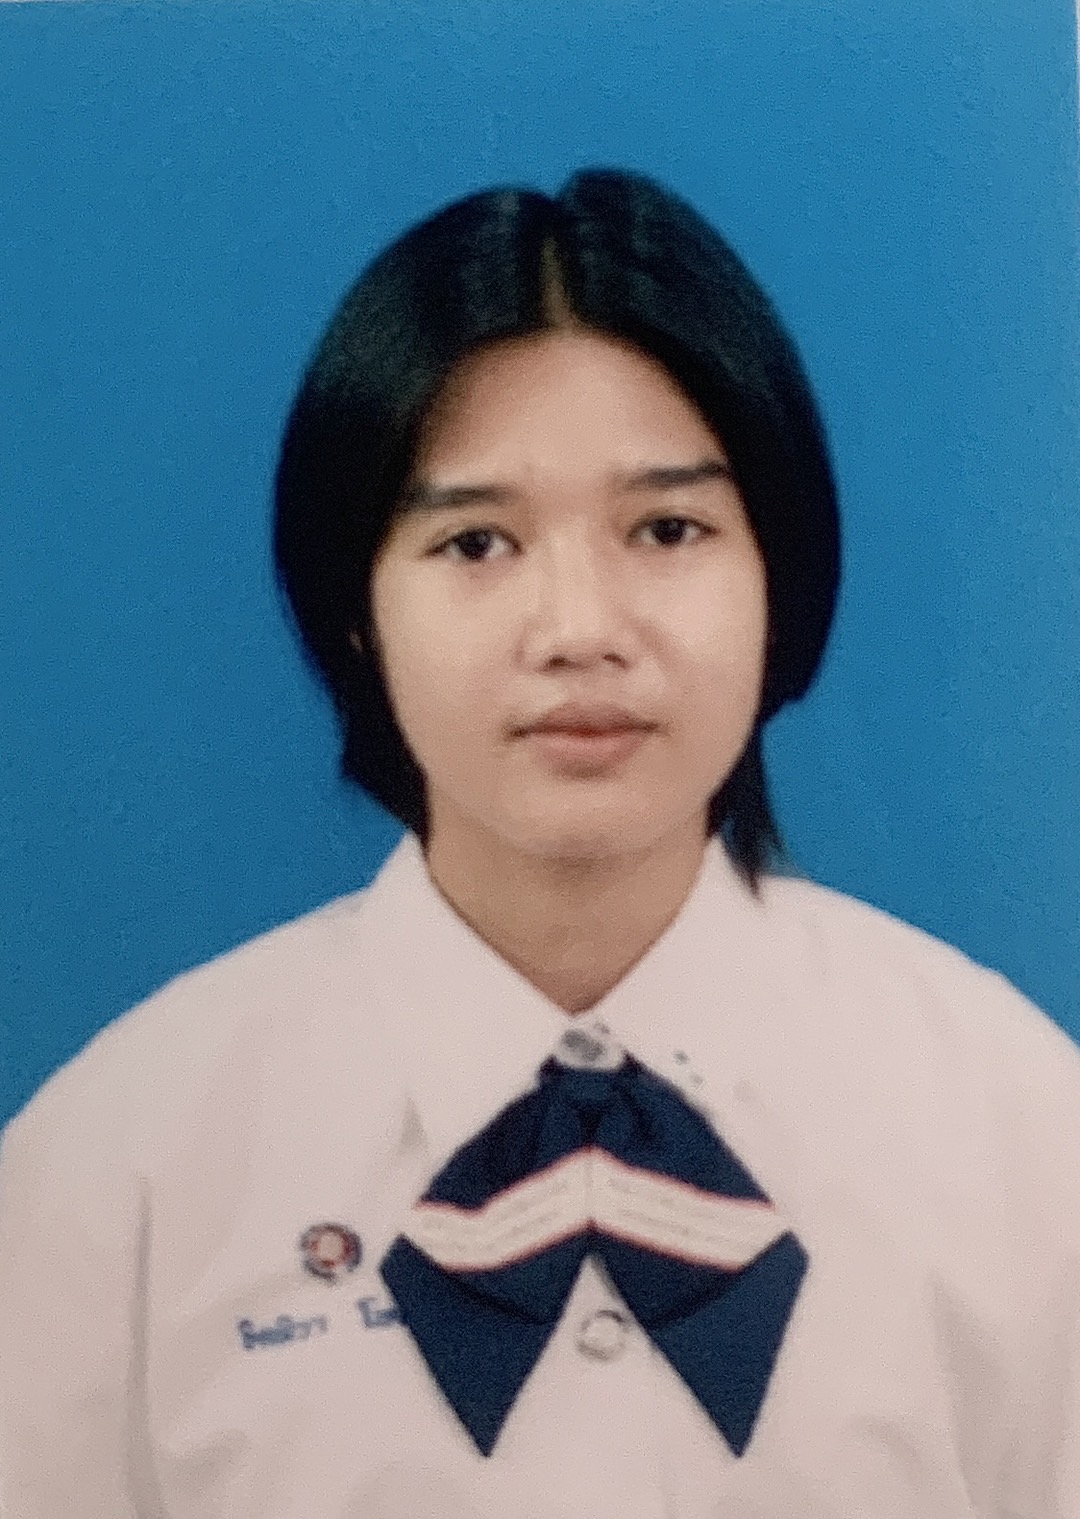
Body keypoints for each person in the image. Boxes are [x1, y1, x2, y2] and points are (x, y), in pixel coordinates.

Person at [1, 167, 1078, 1519]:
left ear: (781, 574)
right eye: (475, 543)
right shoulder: (124, 1167)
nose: (579, 628)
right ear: (356, 613)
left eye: (668, 529)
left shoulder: (1020, 1133)